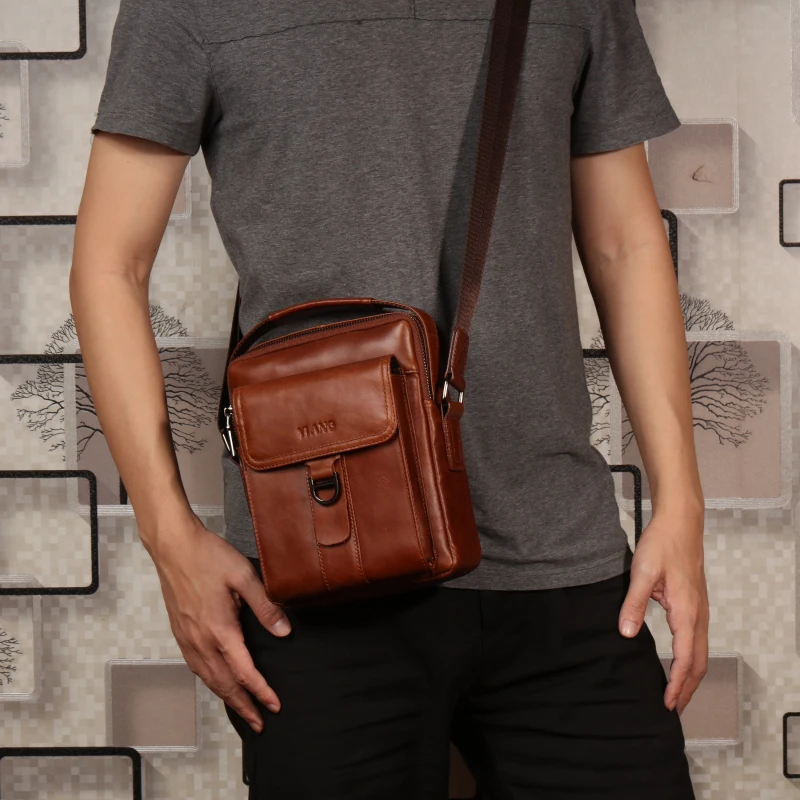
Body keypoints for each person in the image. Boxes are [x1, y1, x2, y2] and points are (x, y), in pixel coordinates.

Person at [72, 0, 709, 797]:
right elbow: (110, 264)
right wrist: (169, 538)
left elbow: (627, 244)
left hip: (561, 558)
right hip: (317, 567)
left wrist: (682, 506)